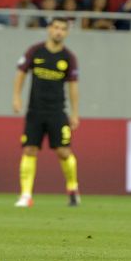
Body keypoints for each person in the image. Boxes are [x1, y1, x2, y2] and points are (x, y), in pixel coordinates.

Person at [12, 18, 81, 207]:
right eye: (56, 27)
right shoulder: (35, 51)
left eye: (63, 29)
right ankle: (26, 195)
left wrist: (75, 113)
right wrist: (16, 97)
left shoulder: (68, 57)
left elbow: (73, 86)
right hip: (35, 111)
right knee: (29, 149)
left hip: (57, 111)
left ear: (66, 33)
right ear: (49, 29)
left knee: (64, 152)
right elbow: (21, 73)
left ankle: (73, 188)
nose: (59, 32)